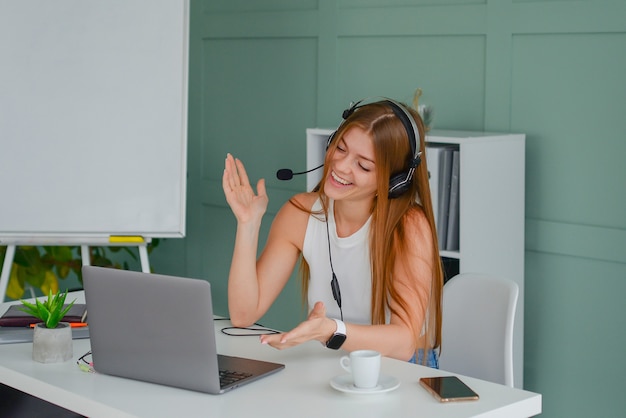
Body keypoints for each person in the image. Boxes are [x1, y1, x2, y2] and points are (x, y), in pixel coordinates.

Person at [222, 98, 443, 367]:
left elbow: (404, 341)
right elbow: (243, 315)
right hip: (329, 363)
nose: (340, 166)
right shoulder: (300, 213)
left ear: (394, 181)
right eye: (340, 148)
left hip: (403, 369)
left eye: (363, 165)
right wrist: (248, 224)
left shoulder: (409, 227)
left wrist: (331, 331)